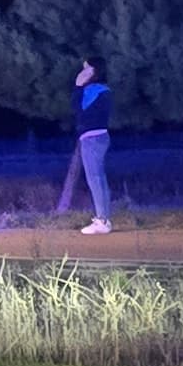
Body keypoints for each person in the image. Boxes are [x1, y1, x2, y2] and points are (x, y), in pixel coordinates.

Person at [56, 59, 115, 234]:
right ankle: (104, 219)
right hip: (101, 136)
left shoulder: (92, 90)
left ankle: (102, 221)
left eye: (86, 68)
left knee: (94, 178)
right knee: (99, 178)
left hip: (92, 138)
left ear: (93, 71)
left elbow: (77, 108)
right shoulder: (105, 90)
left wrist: (77, 86)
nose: (83, 71)